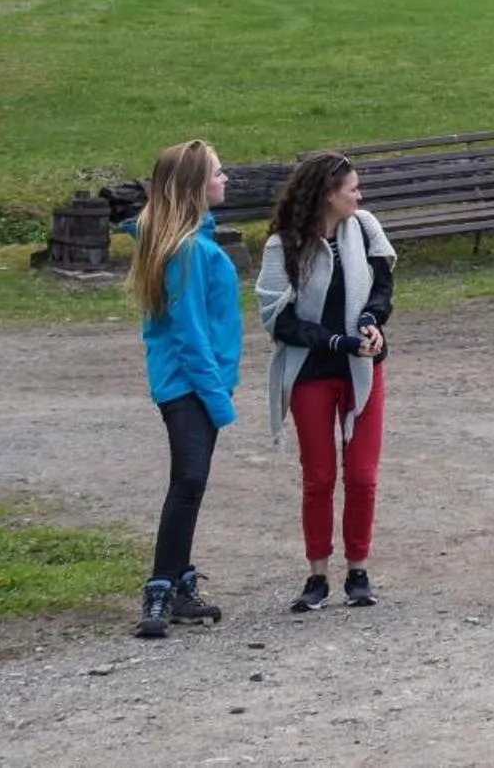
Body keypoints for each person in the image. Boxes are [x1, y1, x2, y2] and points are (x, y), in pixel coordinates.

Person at [257, 153, 396, 614]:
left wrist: (372, 321)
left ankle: (358, 569)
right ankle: (317, 574)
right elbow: (279, 320)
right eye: (352, 189)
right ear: (328, 195)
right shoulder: (283, 245)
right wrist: (337, 342)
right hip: (311, 371)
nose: (360, 196)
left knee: (362, 475)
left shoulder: (366, 228)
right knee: (319, 477)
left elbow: (382, 288)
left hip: (363, 368)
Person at [125, 139, 241, 639]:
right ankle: (160, 587)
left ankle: (181, 582)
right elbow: (191, 335)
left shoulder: (191, 243)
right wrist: (218, 400)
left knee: (191, 483)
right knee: (189, 480)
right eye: (217, 172)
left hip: (195, 383)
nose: (225, 178)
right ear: (195, 185)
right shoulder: (190, 251)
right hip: (189, 385)